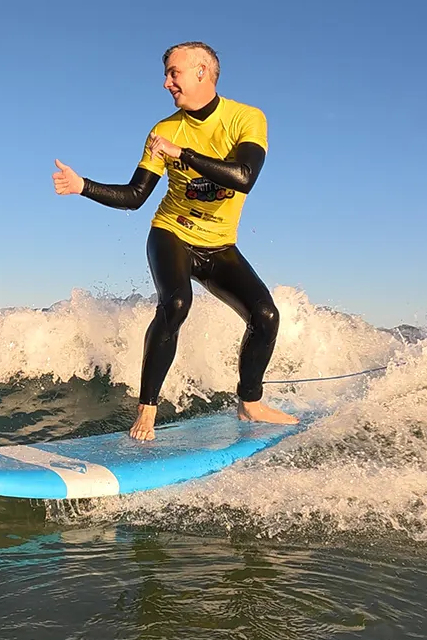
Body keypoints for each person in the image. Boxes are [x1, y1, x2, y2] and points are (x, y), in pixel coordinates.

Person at [52, 42, 296, 440]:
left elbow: (244, 176)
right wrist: (83, 186)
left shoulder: (246, 119)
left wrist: (183, 154)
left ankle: (250, 403)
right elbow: (135, 197)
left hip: (219, 246)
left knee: (266, 315)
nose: (166, 82)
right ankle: (147, 410)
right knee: (177, 303)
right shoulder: (163, 130)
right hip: (172, 234)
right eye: (167, 74)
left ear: (202, 71)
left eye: (173, 73)